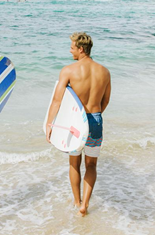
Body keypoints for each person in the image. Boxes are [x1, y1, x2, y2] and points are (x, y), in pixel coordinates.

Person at [45, 32, 111, 217]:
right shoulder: (104, 71)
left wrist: (50, 124)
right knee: (91, 165)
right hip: (95, 119)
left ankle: (77, 201)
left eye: (72, 47)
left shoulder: (68, 71)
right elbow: (105, 101)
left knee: (74, 163)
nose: (70, 50)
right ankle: (86, 204)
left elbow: (57, 101)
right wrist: (93, 120)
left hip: (75, 124)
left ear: (81, 49)